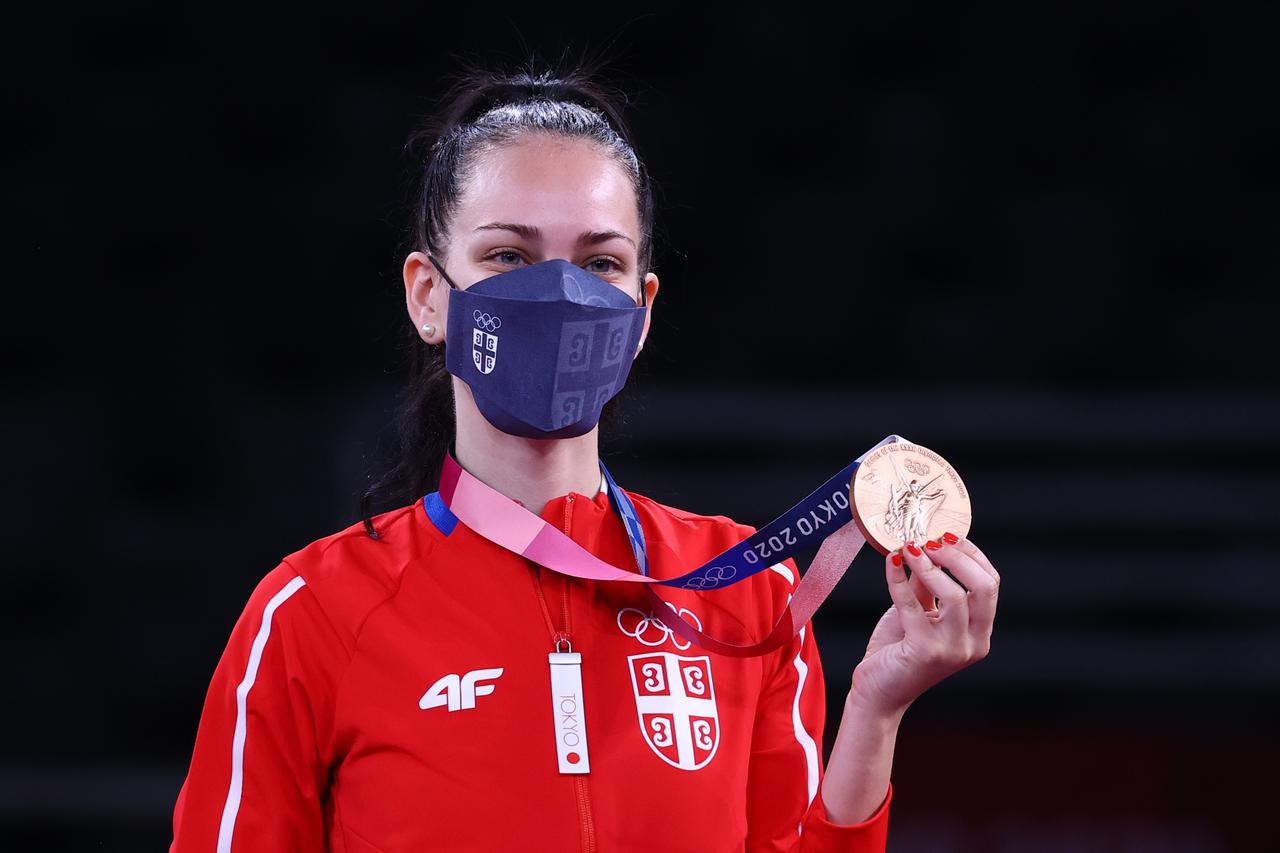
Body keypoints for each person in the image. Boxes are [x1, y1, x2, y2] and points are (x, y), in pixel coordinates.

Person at [169, 56, 1001, 853]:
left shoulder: (747, 591)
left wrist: (874, 711)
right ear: (429, 296)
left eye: (599, 262)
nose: (558, 295)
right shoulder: (313, 612)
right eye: (508, 256)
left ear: (640, 313)